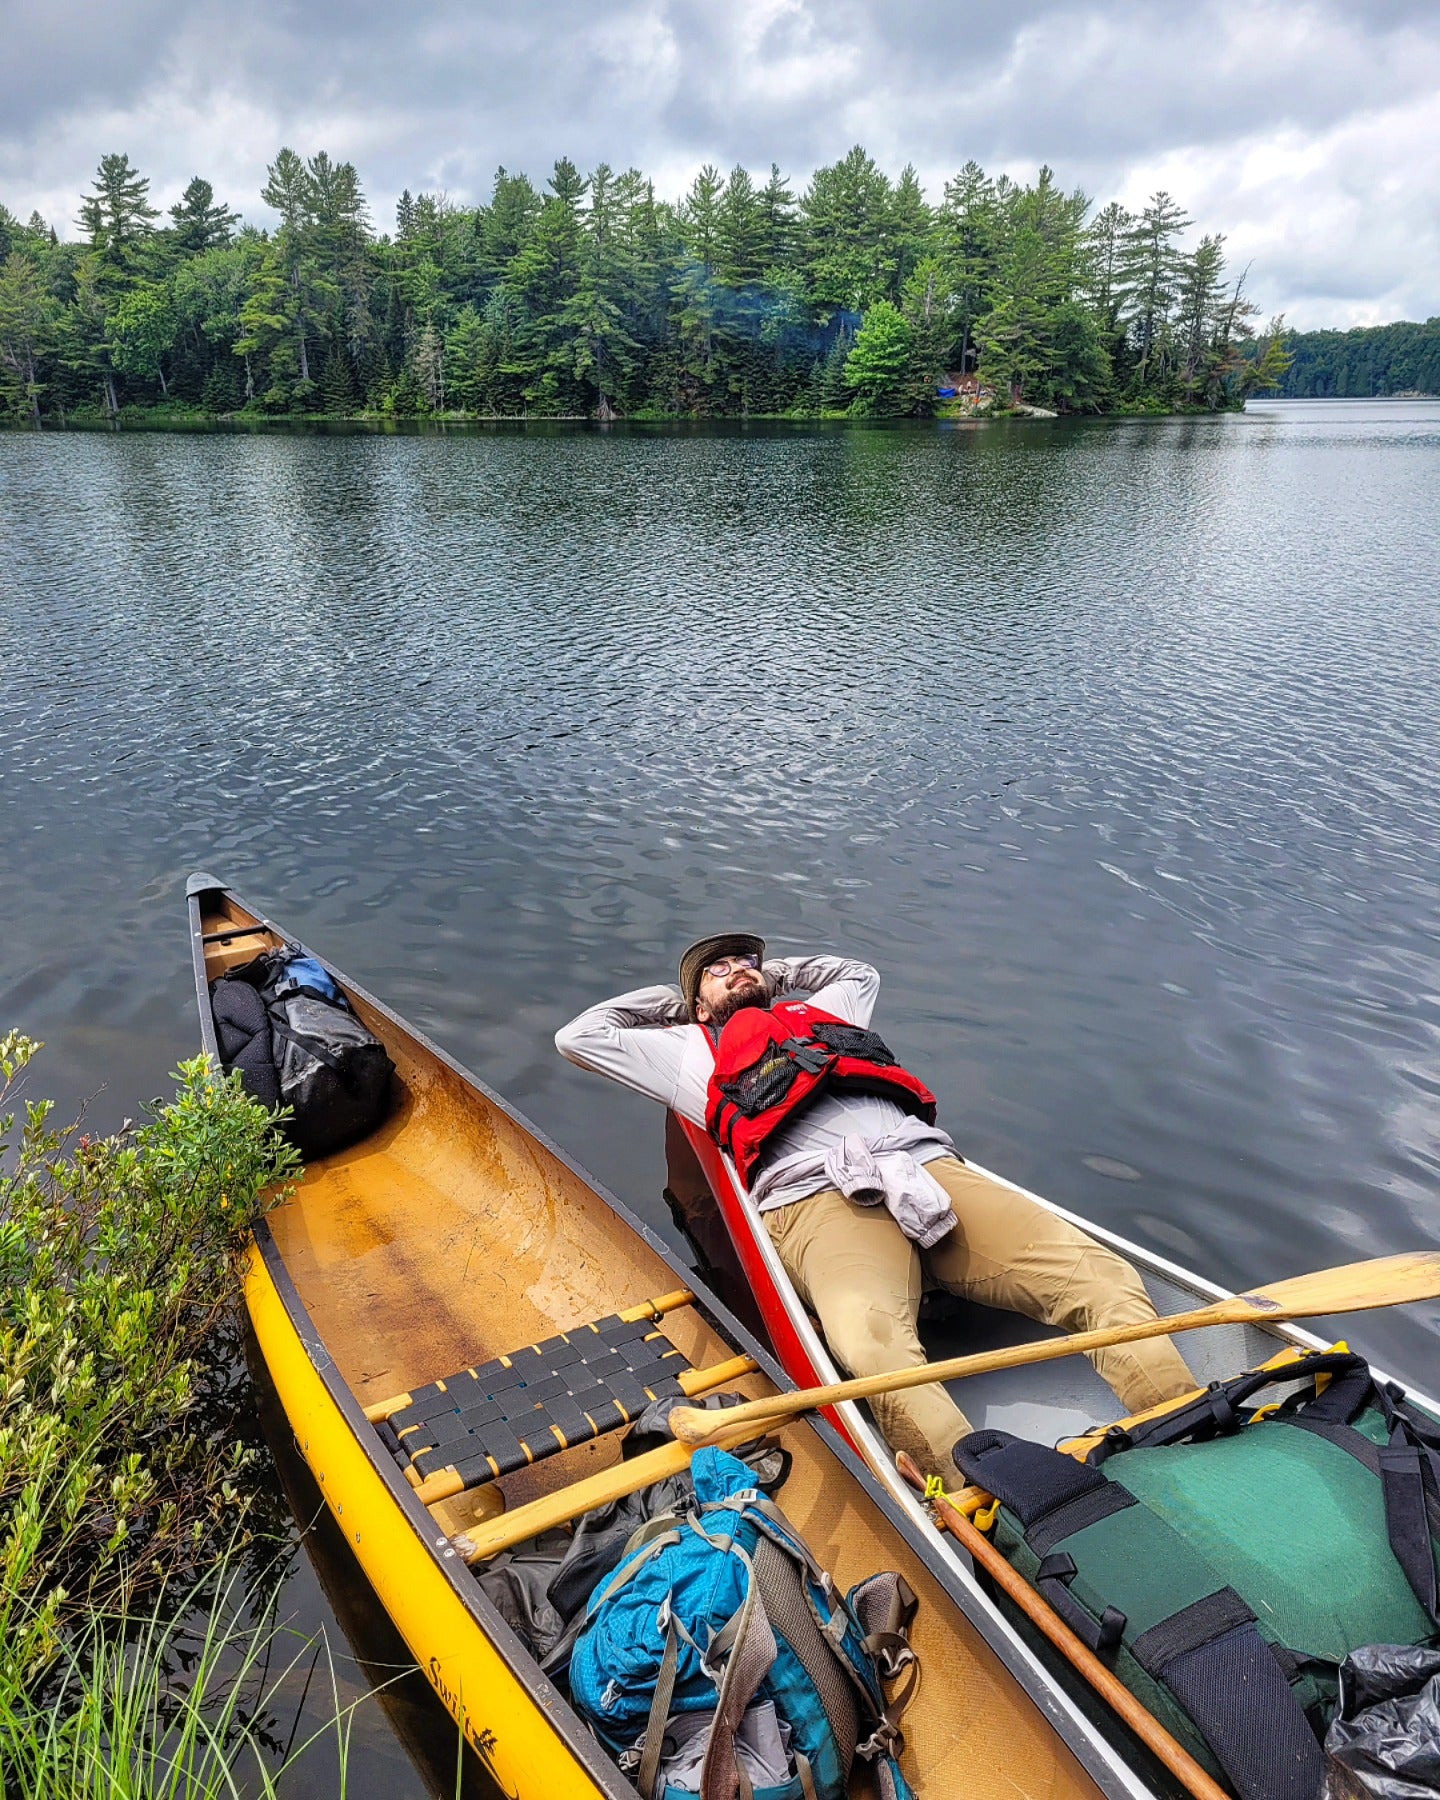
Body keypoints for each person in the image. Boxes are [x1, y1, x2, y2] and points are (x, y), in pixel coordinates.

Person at [555, 932, 1197, 1478]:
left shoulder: (824, 1012)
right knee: (873, 1349)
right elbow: (579, 1036)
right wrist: (682, 1005)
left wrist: (770, 975)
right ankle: (982, 1491)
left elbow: (858, 971)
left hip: (924, 1168)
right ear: (696, 1002)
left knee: (1099, 1276)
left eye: (745, 961)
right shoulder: (685, 1050)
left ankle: (1185, 1429)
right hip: (814, 1195)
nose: (736, 970)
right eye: (716, 970)